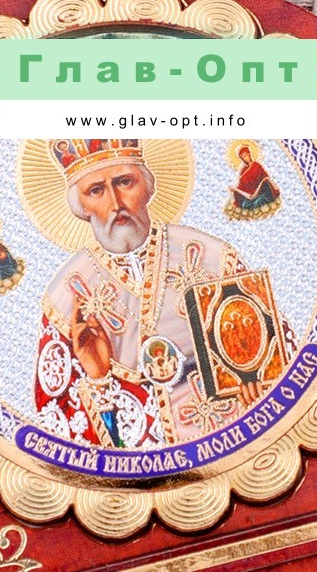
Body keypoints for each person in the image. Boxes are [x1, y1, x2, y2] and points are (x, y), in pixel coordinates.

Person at [33, 140, 250, 448]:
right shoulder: (65, 297)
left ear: (148, 187)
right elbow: (56, 424)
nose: (116, 203)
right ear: (81, 207)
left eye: (125, 182)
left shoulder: (210, 257)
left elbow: (273, 357)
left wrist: (254, 380)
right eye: (96, 190)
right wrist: (97, 377)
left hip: (231, 434)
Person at [224, 143, 281, 220]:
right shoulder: (243, 170)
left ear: (249, 154)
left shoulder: (257, 166)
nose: (244, 158)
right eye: (242, 157)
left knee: (257, 203)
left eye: (245, 155)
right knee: (244, 205)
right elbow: (242, 185)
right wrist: (235, 190)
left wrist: (262, 185)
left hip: (262, 192)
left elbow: (265, 179)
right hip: (250, 194)